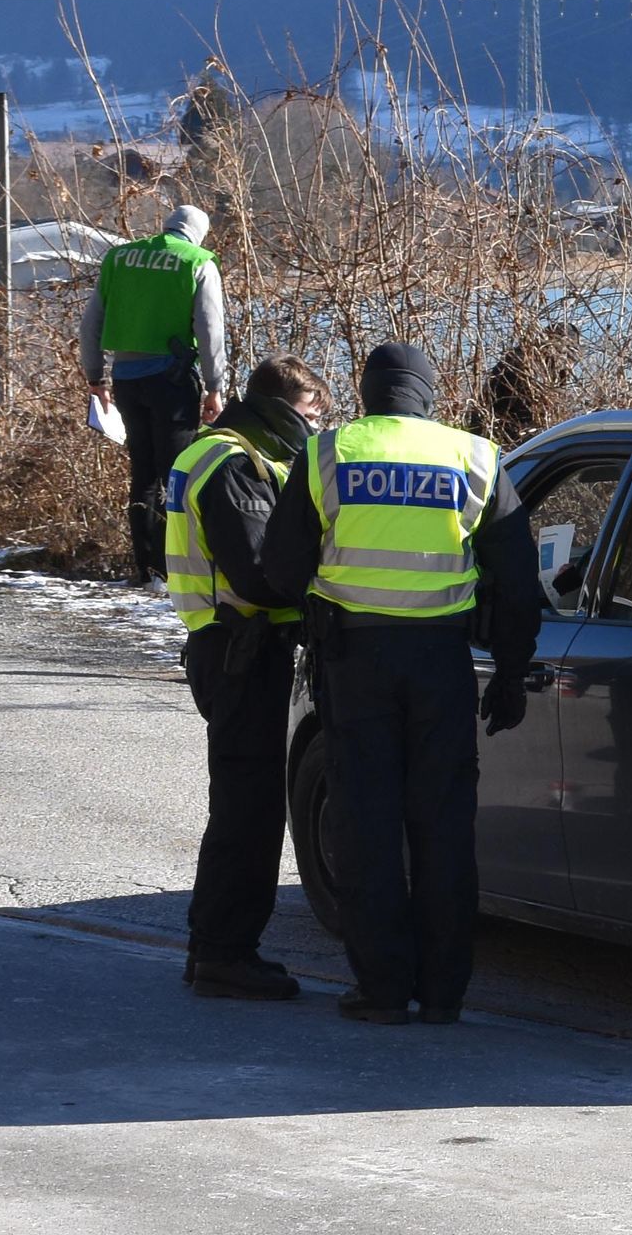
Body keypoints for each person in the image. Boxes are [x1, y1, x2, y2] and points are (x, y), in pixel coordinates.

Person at [258, 341, 537, 1026]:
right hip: (441, 663)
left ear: (366, 389)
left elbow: (282, 571)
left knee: (367, 823)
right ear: (427, 391)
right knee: (442, 826)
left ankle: (382, 987)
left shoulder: (328, 454)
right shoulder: (473, 457)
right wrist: (509, 668)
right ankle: (443, 992)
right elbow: (520, 579)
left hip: (356, 664)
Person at [165, 358, 328, 1001]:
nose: (317, 430)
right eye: (313, 417)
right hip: (243, 647)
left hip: (227, 643)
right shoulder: (235, 465)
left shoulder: (215, 454)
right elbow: (261, 572)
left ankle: (213, 947)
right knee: (248, 810)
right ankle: (226, 953)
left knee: (242, 801)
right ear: (284, 409)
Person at [81, 197, 231, 579]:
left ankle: (144, 567)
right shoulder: (199, 262)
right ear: (198, 235)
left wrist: (96, 377)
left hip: (127, 381)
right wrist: (216, 387)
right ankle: (174, 569)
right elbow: (210, 330)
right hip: (172, 381)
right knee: (176, 475)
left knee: (143, 474)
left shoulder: (120, 258)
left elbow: (91, 323)